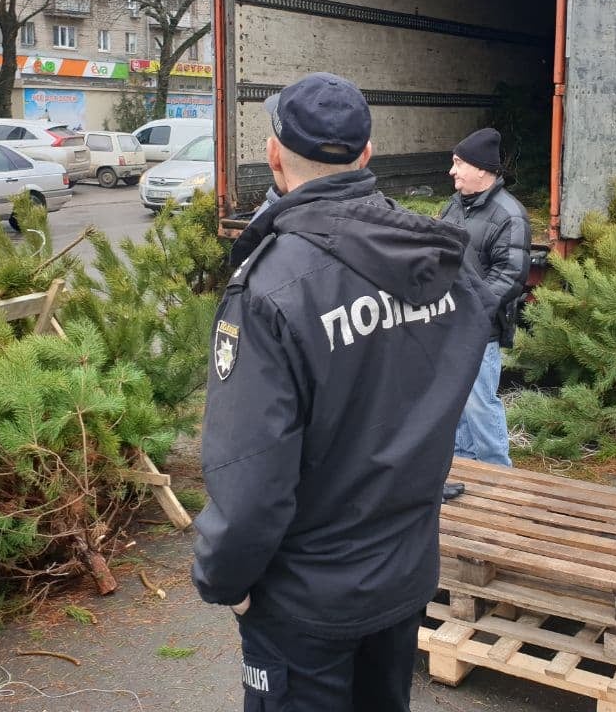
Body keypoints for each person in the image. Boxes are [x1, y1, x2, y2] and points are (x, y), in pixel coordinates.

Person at [191, 72, 495, 712]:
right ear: (367, 154)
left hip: (306, 604)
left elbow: (251, 477)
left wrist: (226, 580)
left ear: (274, 155)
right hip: (403, 577)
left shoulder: (271, 289)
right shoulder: (435, 257)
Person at [440, 127, 531, 469]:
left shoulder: (510, 214)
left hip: (480, 327)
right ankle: (464, 466)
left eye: (458, 163)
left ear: (480, 169)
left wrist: (470, 310)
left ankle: (498, 472)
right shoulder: (454, 207)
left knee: (479, 403)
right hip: (450, 322)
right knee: (456, 401)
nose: (452, 171)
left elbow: (510, 276)